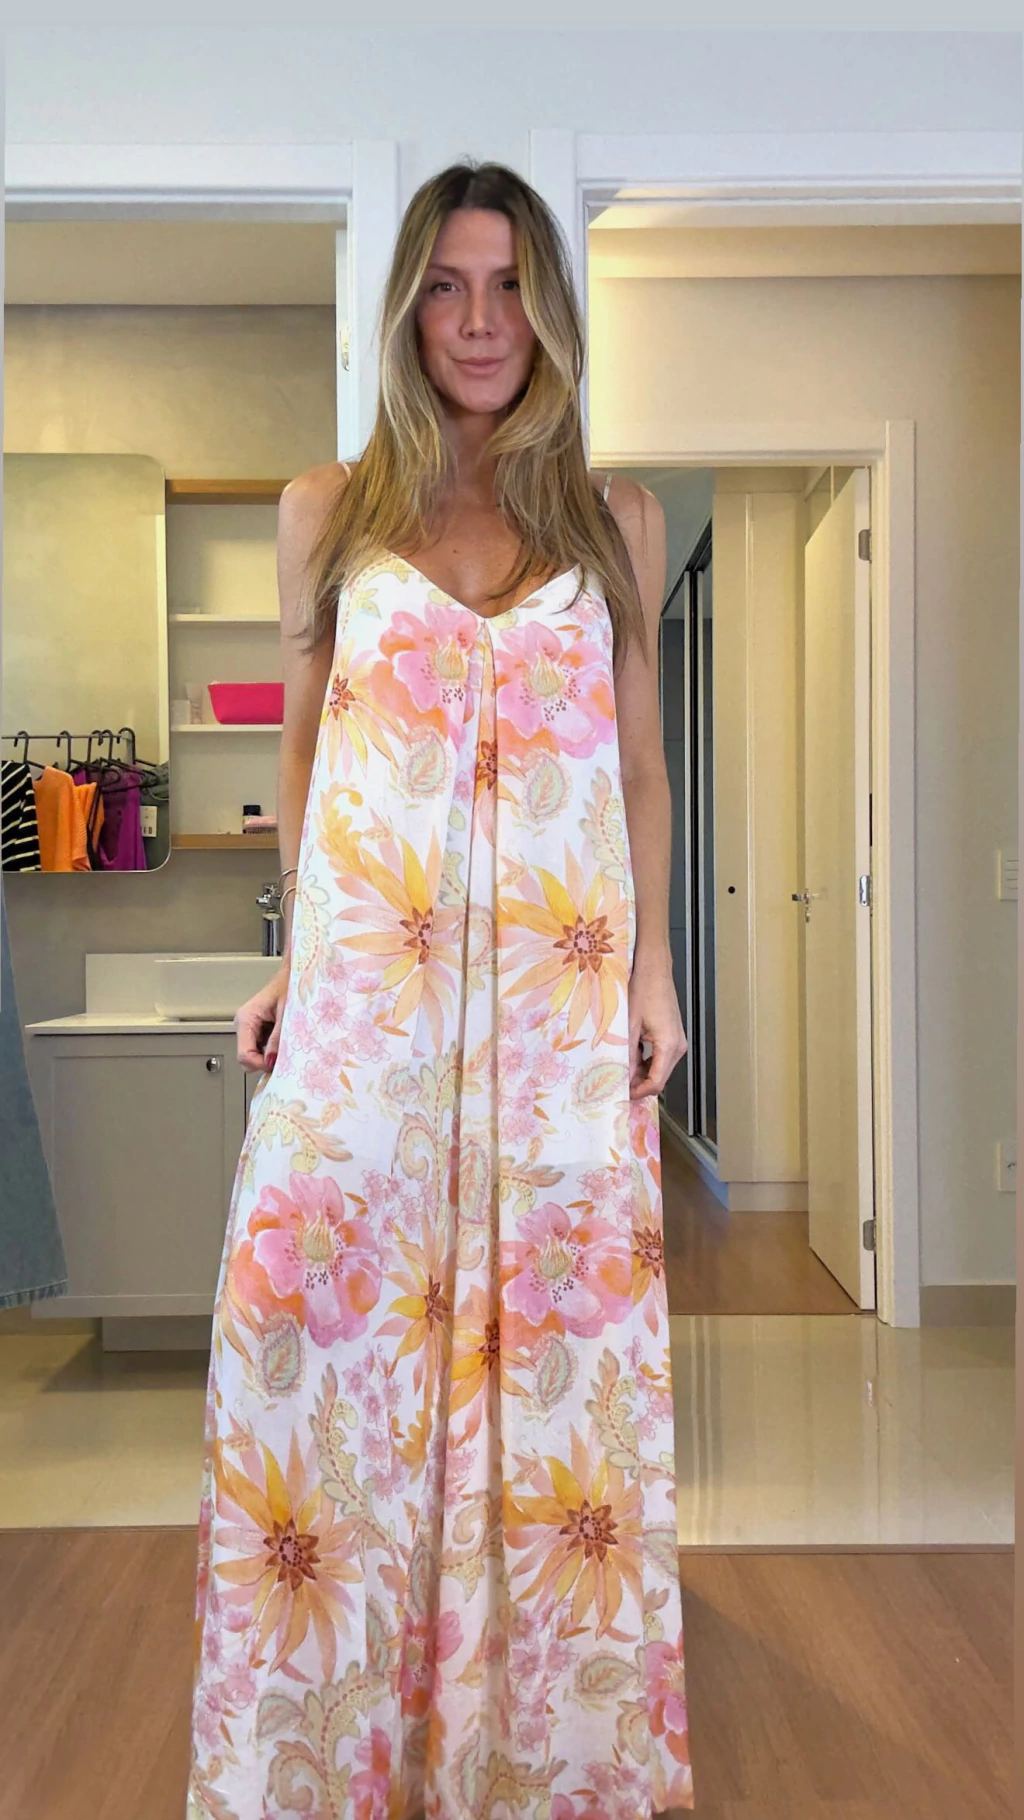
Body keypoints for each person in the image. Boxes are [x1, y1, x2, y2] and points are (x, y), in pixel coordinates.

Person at [187, 158, 693, 1820]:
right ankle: (312, 1766)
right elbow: (305, 750)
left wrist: (656, 970)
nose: (480, 322)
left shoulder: (615, 520)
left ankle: (539, 1770)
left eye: (510, 286)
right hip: (373, 1023)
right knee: (320, 1356)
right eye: (447, 287)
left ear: (549, 309)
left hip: (556, 1030)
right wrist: (293, 952)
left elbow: (639, 771)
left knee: (564, 1382)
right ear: (407, 308)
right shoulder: (327, 510)